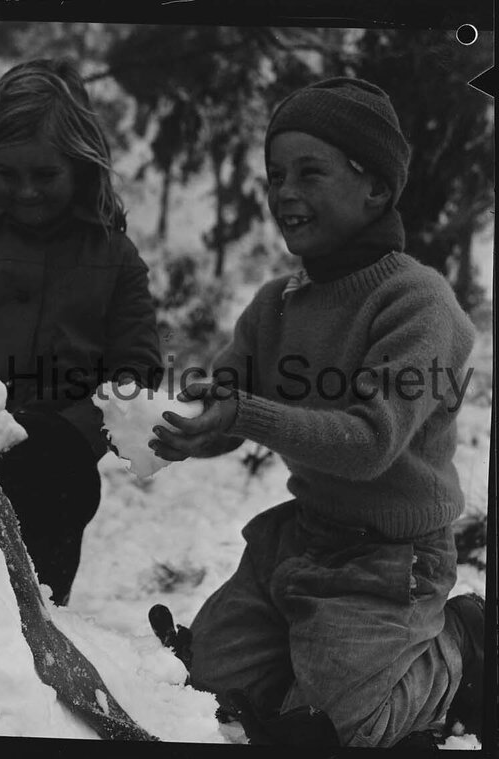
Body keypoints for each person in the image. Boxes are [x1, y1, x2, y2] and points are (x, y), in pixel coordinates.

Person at [148, 78, 483, 747]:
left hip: (395, 557)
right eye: (275, 175)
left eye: (310, 172)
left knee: (345, 729)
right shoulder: (276, 303)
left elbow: (368, 444)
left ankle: (462, 647)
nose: (284, 193)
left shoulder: (417, 304)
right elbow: (228, 401)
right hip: (306, 538)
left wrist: (244, 413)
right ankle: (321, 671)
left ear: (377, 189)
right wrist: (188, 426)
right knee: (216, 676)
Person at [0, 59, 164, 606]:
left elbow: (135, 368)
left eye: (44, 176)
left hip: (55, 476)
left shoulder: (114, 258)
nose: (25, 192)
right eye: (8, 174)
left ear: (81, 165)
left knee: (30, 615)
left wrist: (75, 436)